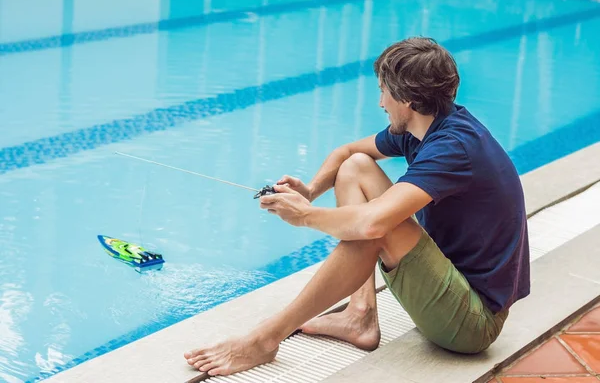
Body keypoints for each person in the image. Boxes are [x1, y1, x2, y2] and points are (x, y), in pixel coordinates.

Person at [184, 37, 530, 377]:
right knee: (356, 168)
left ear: (407, 99)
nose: (381, 102)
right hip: (455, 286)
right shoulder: (428, 126)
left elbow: (372, 225)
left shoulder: (453, 148)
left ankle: (264, 340)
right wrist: (311, 191)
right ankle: (359, 313)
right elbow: (346, 153)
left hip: (473, 323)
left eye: (383, 91)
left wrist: (304, 216)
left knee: (377, 224)